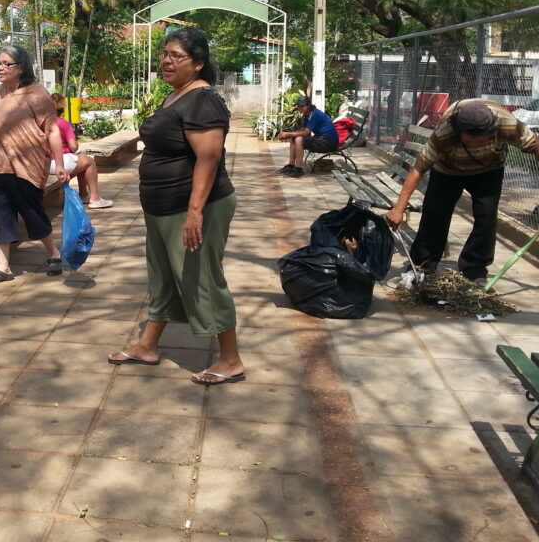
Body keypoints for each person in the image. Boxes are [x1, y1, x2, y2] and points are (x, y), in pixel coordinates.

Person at [107, 27, 243, 386]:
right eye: (165, 54)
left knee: (201, 280)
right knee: (164, 277)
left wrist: (195, 212)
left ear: (198, 64)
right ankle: (147, 346)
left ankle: (230, 360)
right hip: (163, 207)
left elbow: (208, 159)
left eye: (176, 56)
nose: (167, 61)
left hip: (195, 206)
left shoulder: (202, 100)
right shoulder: (177, 95)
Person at [386, 98, 539, 285]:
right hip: (448, 170)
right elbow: (418, 169)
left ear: (491, 130)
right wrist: (399, 208)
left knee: (486, 217)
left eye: (481, 140)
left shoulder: (507, 125)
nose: (476, 145)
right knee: (435, 213)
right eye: (470, 142)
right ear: (459, 133)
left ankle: (474, 269)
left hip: (489, 170)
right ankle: (423, 265)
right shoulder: (445, 133)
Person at [0, 44, 71, 285]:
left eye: (6, 64)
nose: (0, 68)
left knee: (32, 213)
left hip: (26, 166)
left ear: (21, 68)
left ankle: (53, 253)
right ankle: (4, 268)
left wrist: (60, 164)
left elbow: (51, 130)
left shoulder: (37, 94)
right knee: (0, 216)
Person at [49, 92, 113, 209]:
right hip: (60, 162)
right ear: (62, 108)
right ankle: (94, 198)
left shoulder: (41, 123)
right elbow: (74, 147)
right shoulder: (63, 124)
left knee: (81, 161)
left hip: (45, 164)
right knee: (89, 162)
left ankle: (84, 194)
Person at [275, 96, 338, 177]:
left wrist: (288, 134)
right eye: (298, 106)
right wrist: (288, 134)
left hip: (329, 142)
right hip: (321, 139)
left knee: (298, 139)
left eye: (302, 106)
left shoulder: (315, 114)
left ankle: (298, 170)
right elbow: (303, 130)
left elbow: (305, 133)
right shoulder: (307, 114)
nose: (300, 108)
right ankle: (291, 166)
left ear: (308, 106)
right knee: (294, 138)